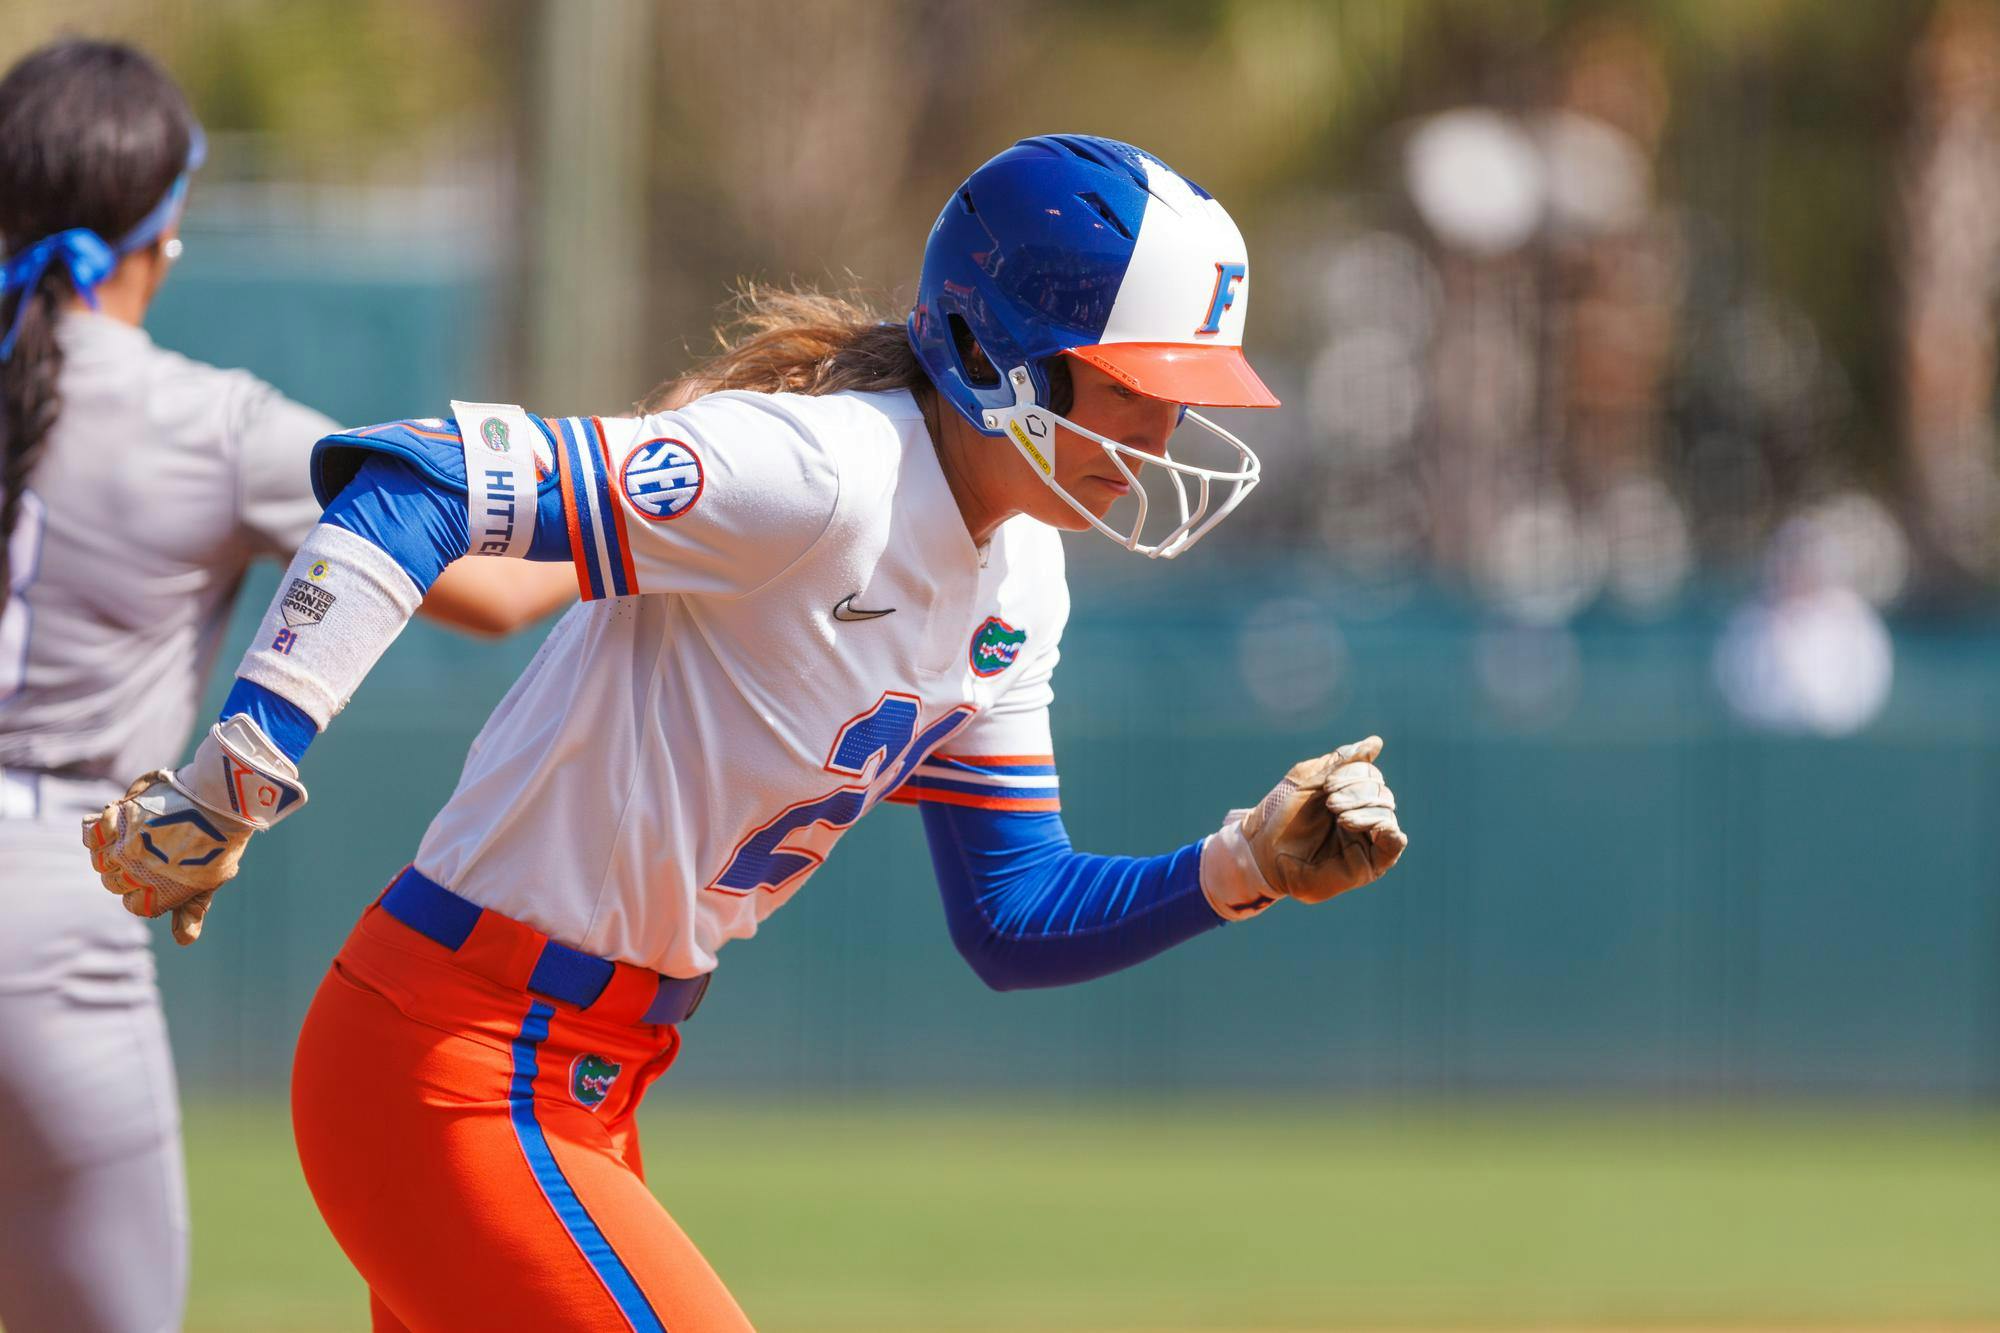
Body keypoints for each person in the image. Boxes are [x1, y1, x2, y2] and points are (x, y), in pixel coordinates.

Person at [84, 133, 1409, 1332]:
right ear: (1004, 350)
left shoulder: (1022, 578)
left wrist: (1246, 864)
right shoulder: (820, 471)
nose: (1170, 428)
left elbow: (1013, 911)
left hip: (583, 1086)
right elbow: (415, 486)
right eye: (1136, 384)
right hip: (451, 1060)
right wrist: (237, 770)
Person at [0, 39, 576, 1333]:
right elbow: (486, 593)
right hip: (54, 906)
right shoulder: (213, 420)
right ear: (166, 229)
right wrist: (631, 522)